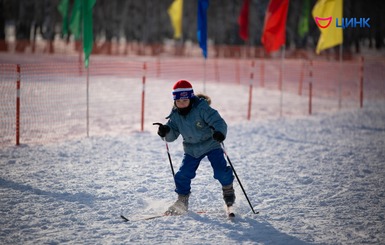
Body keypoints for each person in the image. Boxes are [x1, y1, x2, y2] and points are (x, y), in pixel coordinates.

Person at [155, 80, 235, 215]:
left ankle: (228, 189)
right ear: (175, 101)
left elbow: (218, 121)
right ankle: (182, 200)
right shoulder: (175, 115)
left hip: (211, 144)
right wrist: (165, 131)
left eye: (185, 100)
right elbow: (172, 135)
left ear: (190, 98)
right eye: (178, 101)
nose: (181, 104)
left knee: (221, 171)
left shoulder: (202, 108)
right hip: (191, 149)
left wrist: (219, 132)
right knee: (182, 175)